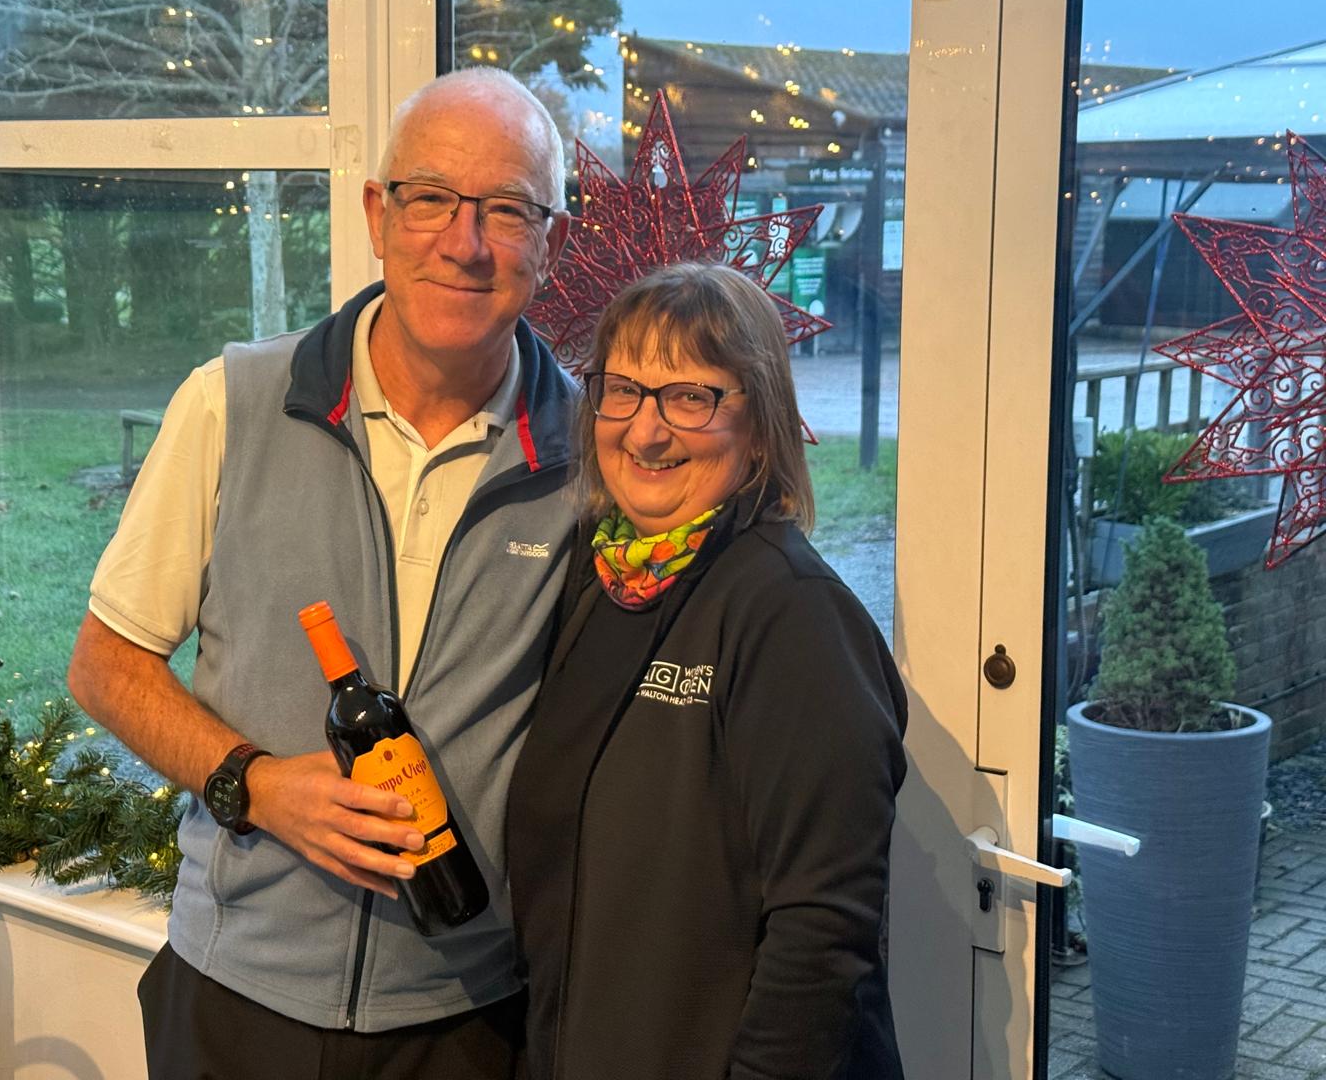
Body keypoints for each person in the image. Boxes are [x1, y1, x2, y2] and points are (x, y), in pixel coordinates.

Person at [67, 67, 576, 1080]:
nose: (465, 242)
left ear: (549, 244)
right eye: (431, 199)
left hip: (469, 1018)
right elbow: (106, 667)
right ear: (377, 214)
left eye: (507, 210)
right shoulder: (233, 403)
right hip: (236, 999)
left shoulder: (587, 461)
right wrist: (252, 784)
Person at [507, 261, 909, 1080]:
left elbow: (822, 935)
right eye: (623, 390)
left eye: (691, 397)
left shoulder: (792, 615)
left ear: (760, 427)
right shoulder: (596, 581)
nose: (646, 431)